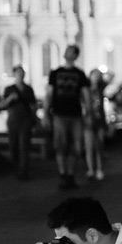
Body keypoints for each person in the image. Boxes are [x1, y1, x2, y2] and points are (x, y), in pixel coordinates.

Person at [44, 45, 91, 191]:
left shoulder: (80, 74)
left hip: (75, 115)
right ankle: (63, 175)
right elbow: (49, 94)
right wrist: (46, 113)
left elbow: (86, 95)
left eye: (69, 50)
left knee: (76, 147)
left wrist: (88, 112)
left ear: (75, 55)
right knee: (61, 145)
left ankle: (70, 175)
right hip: (59, 114)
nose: (66, 51)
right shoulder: (55, 72)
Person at [2, 65, 37, 180]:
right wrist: (10, 99)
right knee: (13, 146)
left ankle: (24, 171)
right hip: (13, 120)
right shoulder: (9, 89)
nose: (21, 75)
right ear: (14, 74)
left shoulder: (28, 89)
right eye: (18, 73)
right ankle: (16, 169)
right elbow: (2, 105)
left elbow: (33, 105)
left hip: (25, 120)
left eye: (22, 73)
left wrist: (34, 116)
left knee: (24, 146)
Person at [84, 69, 107, 182]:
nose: (97, 77)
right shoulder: (85, 90)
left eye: (98, 75)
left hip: (100, 120)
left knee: (99, 146)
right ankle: (91, 169)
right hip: (88, 121)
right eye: (95, 75)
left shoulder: (100, 88)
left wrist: (102, 72)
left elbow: (111, 76)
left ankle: (99, 169)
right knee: (89, 147)